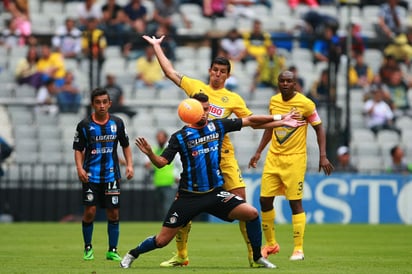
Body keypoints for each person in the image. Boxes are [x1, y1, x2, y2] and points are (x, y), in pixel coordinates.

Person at [120, 92, 305, 269]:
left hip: (215, 194)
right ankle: (132, 254)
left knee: (252, 214)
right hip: (189, 197)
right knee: (161, 241)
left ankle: (257, 257)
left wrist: (280, 118)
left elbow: (250, 120)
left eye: (207, 109)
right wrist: (152, 153)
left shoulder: (218, 126)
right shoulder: (180, 137)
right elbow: (161, 163)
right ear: (191, 111)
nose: (205, 113)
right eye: (202, 109)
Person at [142, 34, 265, 267]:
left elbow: (253, 121)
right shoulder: (196, 88)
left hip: (224, 157)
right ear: (210, 71)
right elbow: (170, 72)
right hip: (200, 156)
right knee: (185, 204)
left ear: (228, 75)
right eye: (215, 70)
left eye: (222, 71)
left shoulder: (234, 99)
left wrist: (278, 122)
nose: (218, 74)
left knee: (243, 204)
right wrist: (157, 47)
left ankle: (253, 255)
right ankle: (181, 254)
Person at [248, 70, 334, 261]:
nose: (285, 83)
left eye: (289, 81)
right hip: (273, 158)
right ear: (278, 83)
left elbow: (319, 128)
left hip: (295, 159)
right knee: (264, 200)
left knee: (295, 202)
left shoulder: (306, 103)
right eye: (282, 81)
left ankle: (298, 249)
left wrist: (323, 156)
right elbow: (271, 127)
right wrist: (258, 151)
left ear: (295, 84)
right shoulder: (274, 101)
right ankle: (271, 244)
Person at [73, 87, 134, 261]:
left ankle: (112, 250)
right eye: (98, 102)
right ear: (93, 104)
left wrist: (129, 165)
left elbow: (126, 145)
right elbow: (78, 149)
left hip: (111, 175)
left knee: (113, 213)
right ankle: (88, 247)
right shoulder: (85, 125)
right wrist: (79, 168)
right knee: (90, 211)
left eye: (104, 102)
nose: (101, 105)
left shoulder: (118, 123)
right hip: (91, 175)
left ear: (110, 104)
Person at [144, 129, 178, 220]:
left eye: (161, 137)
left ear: (166, 138)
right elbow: (147, 163)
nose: (160, 139)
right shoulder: (154, 150)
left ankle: (169, 223)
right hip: (158, 182)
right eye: (158, 137)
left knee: (168, 205)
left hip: (170, 182)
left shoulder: (170, 150)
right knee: (160, 206)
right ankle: (164, 223)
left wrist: (178, 176)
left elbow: (178, 164)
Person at [81, 16, 107, 90]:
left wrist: (96, 52)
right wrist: (92, 51)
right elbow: (84, 47)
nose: (92, 25)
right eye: (90, 24)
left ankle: (99, 88)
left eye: (93, 23)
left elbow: (102, 46)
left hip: (99, 56)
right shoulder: (85, 33)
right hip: (88, 56)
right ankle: (89, 88)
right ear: (88, 24)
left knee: (100, 74)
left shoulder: (100, 33)